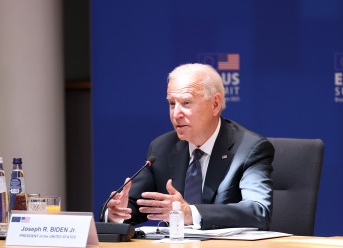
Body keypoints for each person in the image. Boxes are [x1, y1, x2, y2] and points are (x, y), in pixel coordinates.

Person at [106, 63, 274, 230]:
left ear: (215, 104)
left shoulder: (248, 148)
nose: (176, 114)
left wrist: (190, 213)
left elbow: (258, 211)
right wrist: (117, 214)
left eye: (186, 103)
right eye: (172, 104)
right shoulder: (161, 148)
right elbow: (135, 204)